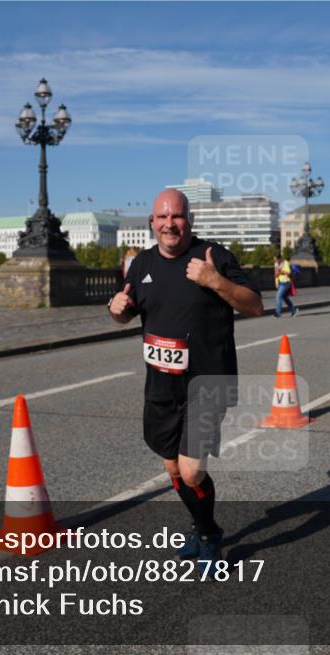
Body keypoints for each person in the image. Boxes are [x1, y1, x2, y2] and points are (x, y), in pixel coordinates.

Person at [108, 189, 262, 570]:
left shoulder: (214, 257)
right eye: (161, 217)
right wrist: (117, 311)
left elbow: (256, 305)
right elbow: (128, 313)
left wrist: (214, 281)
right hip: (162, 385)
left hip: (208, 381)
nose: (168, 224)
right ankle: (203, 526)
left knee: (192, 469)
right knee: (174, 469)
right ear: (152, 222)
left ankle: (208, 536)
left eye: (176, 216)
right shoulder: (140, 263)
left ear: (189, 220)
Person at [273, 250, 298, 318]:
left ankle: (278, 313)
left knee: (278, 296)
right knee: (284, 297)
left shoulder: (285, 263)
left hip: (286, 282)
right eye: (275, 260)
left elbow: (288, 272)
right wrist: (276, 282)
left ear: (280, 258)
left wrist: (281, 271)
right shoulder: (276, 264)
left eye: (276, 260)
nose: (276, 262)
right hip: (280, 283)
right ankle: (294, 310)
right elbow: (276, 274)